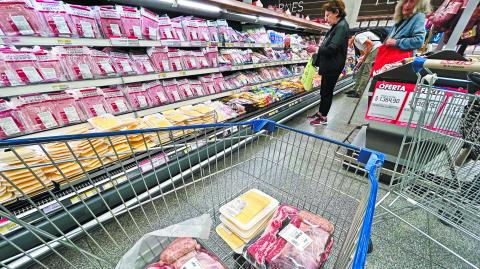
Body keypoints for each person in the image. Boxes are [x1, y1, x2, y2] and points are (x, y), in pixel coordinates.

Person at [307, 0, 349, 126]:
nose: (326, 19)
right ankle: (320, 113)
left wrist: (316, 49)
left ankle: (323, 117)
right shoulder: (337, 26)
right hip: (330, 65)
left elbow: (332, 48)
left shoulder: (341, 27)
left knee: (327, 92)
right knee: (324, 91)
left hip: (333, 66)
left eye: (327, 15)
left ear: (336, 12)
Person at [345, 30, 383, 98]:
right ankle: (355, 89)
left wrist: (364, 57)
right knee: (361, 71)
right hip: (372, 51)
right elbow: (363, 51)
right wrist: (362, 58)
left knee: (365, 72)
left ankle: (359, 92)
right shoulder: (356, 42)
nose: (348, 45)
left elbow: (371, 44)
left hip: (375, 49)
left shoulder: (358, 37)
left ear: (350, 38)